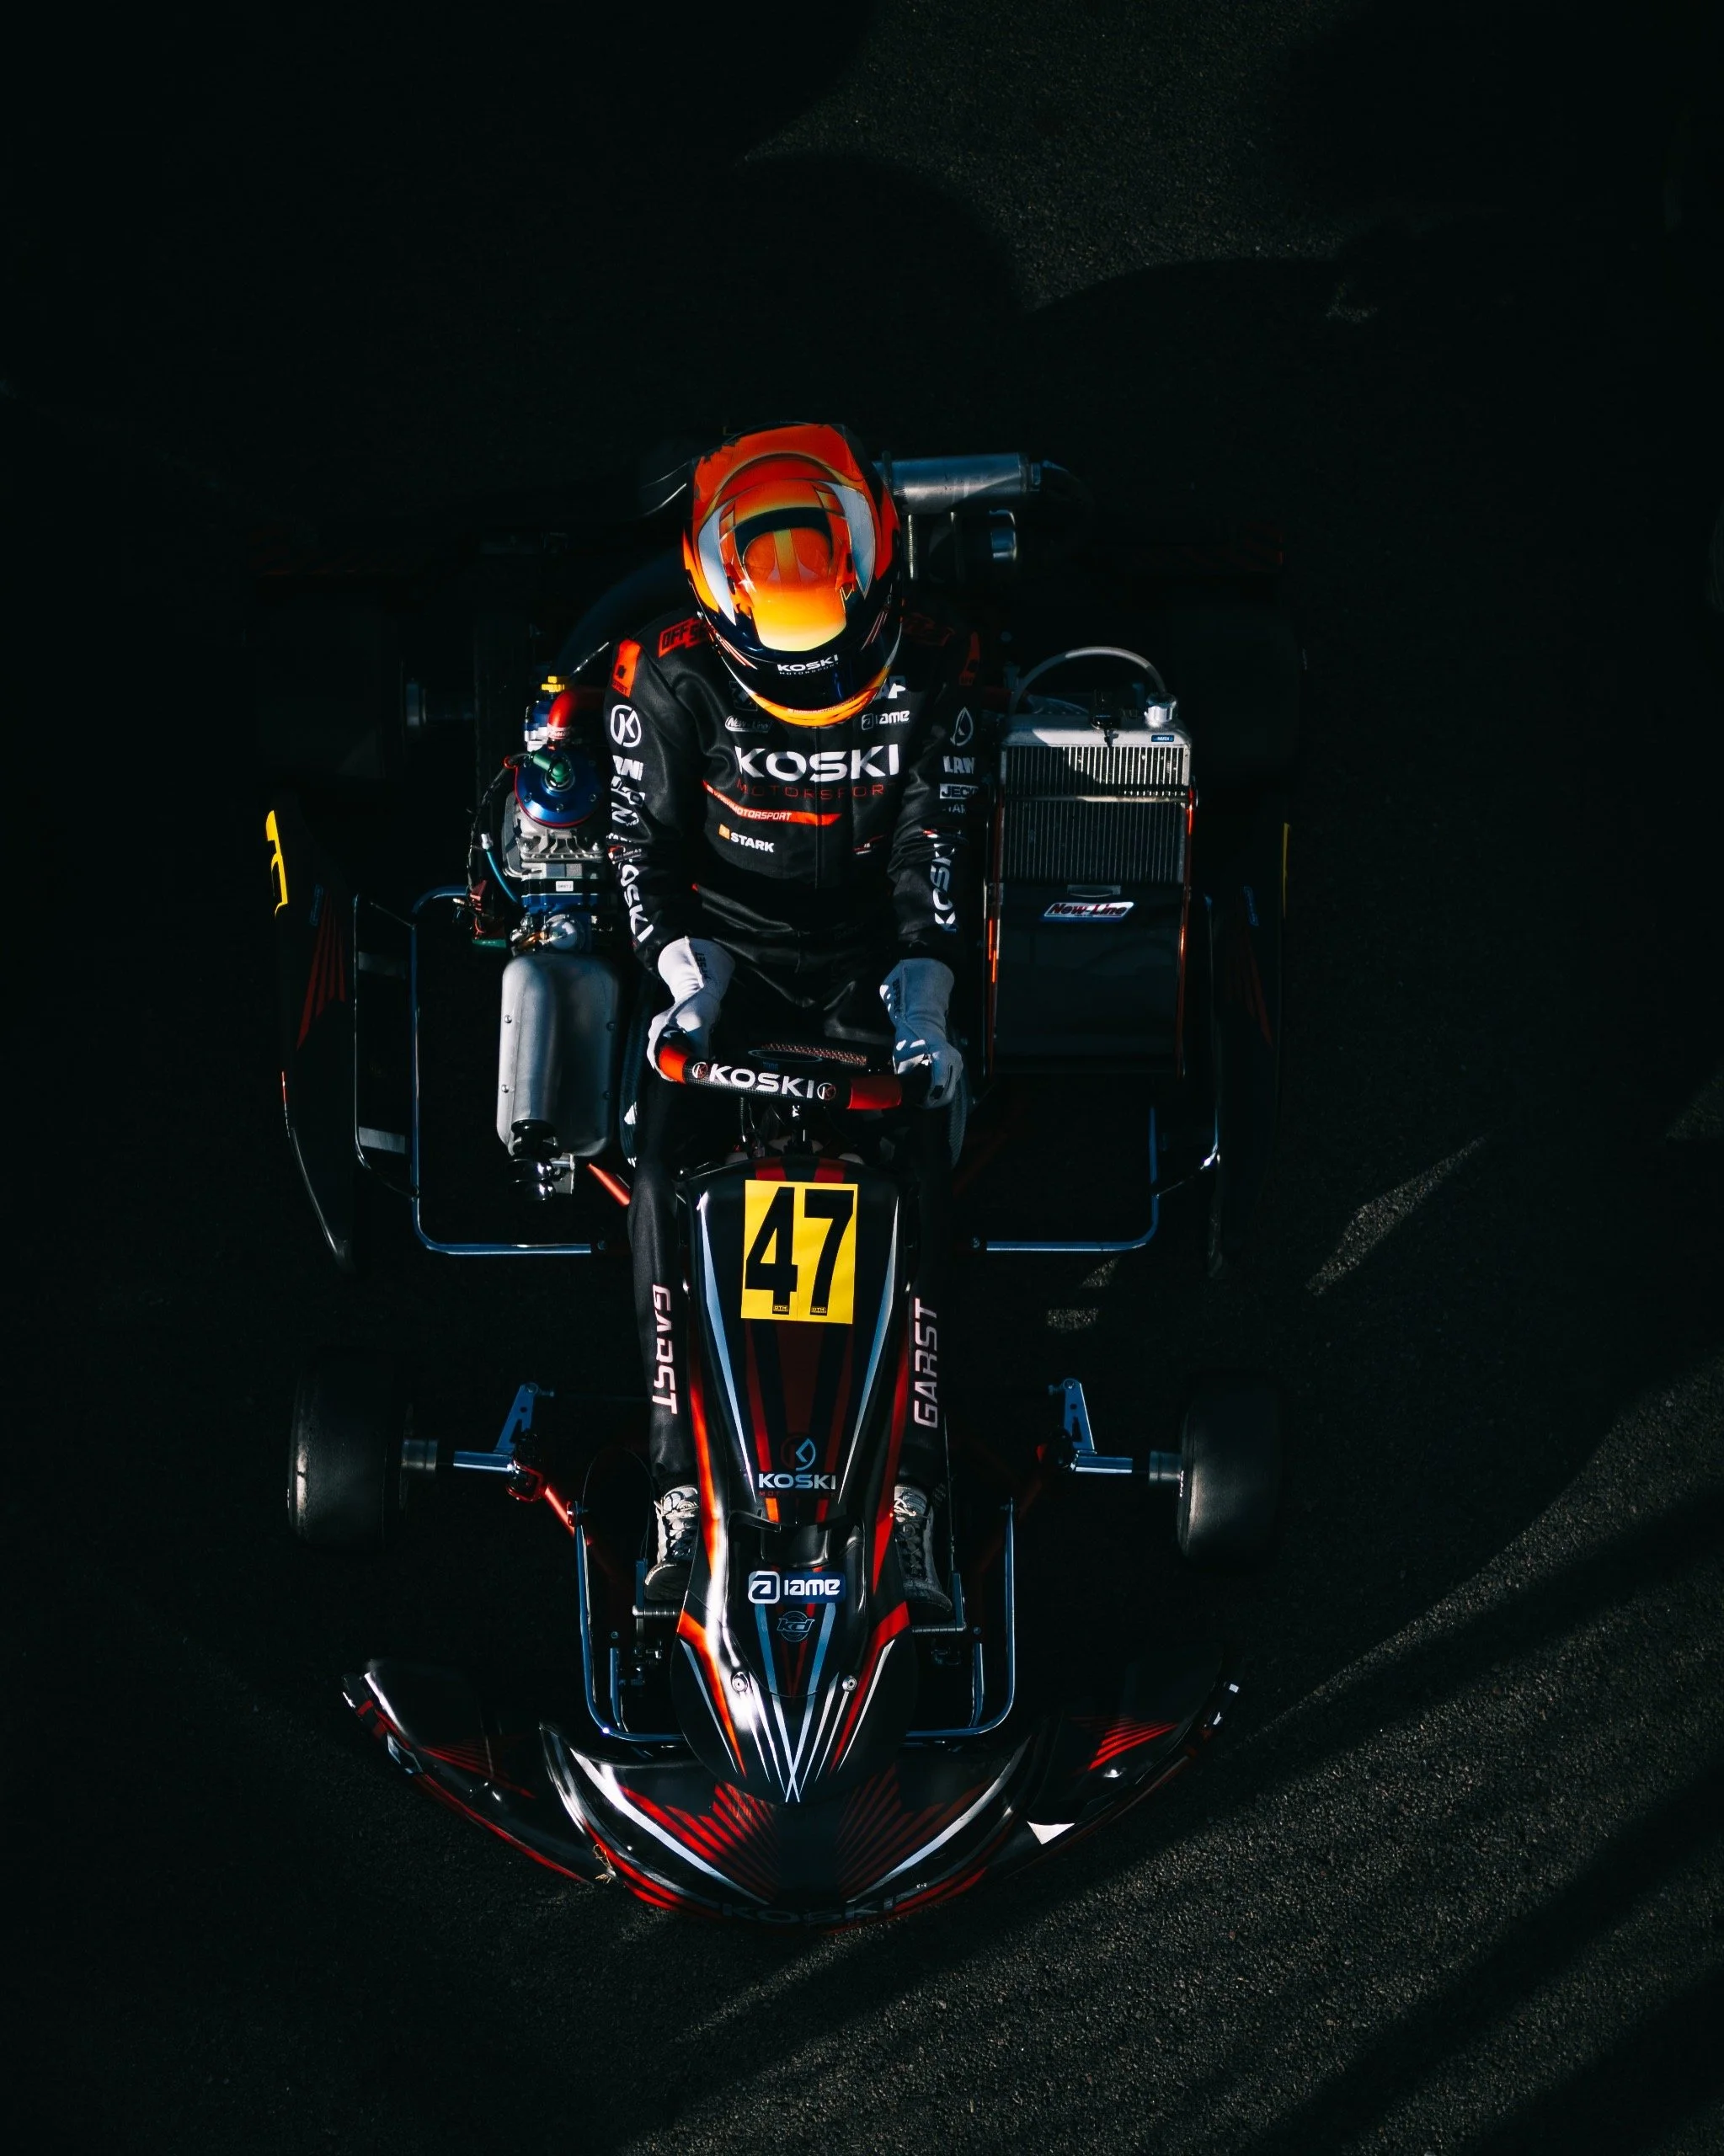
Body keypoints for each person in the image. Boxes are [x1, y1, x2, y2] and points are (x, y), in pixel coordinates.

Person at [605, 421, 987, 1613]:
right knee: (656, 1172)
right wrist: (683, 976)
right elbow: (639, 849)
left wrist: (927, 997)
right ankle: (677, 1488)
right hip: (724, 966)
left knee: (921, 1161)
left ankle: (914, 1493)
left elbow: (935, 843)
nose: (815, 684)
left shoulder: (945, 662)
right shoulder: (660, 671)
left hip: (876, 965)